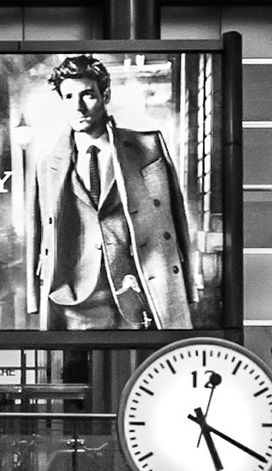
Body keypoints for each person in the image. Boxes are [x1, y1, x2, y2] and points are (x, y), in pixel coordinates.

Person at [26, 53, 197, 331]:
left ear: (105, 95)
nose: (78, 107)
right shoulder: (48, 162)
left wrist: (189, 287)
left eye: (87, 95)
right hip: (73, 300)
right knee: (74, 372)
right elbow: (36, 231)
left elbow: (177, 219)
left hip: (141, 288)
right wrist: (34, 298)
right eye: (68, 97)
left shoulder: (148, 147)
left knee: (139, 370)